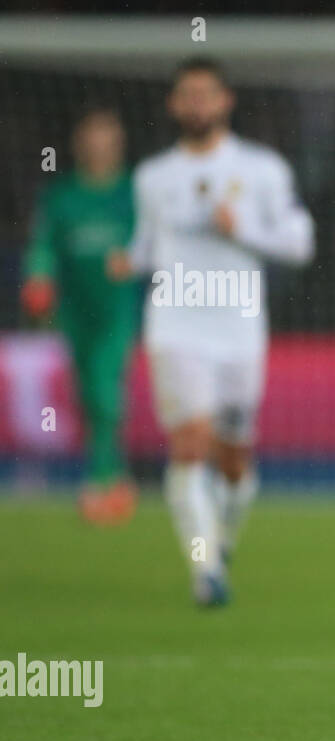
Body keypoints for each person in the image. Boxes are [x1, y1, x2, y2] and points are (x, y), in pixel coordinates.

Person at [112, 57, 314, 606]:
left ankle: (218, 541)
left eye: (207, 94)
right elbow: (146, 247)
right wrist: (125, 261)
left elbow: (300, 243)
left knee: (233, 458)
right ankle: (205, 571)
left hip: (240, 328)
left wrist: (242, 227)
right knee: (190, 442)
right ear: (175, 105)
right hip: (175, 324)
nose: (197, 104)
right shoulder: (152, 176)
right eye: (187, 95)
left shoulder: (262, 169)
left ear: (225, 101)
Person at [21, 108, 137, 524]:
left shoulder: (133, 193)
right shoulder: (62, 196)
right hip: (74, 311)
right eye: (91, 135)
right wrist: (38, 278)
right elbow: (43, 245)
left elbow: (155, 244)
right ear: (79, 143)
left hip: (118, 309)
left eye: (106, 135)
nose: (98, 143)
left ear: (118, 141)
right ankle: (113, 475)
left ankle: (104, 481)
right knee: (88, 393)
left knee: (106, 387)